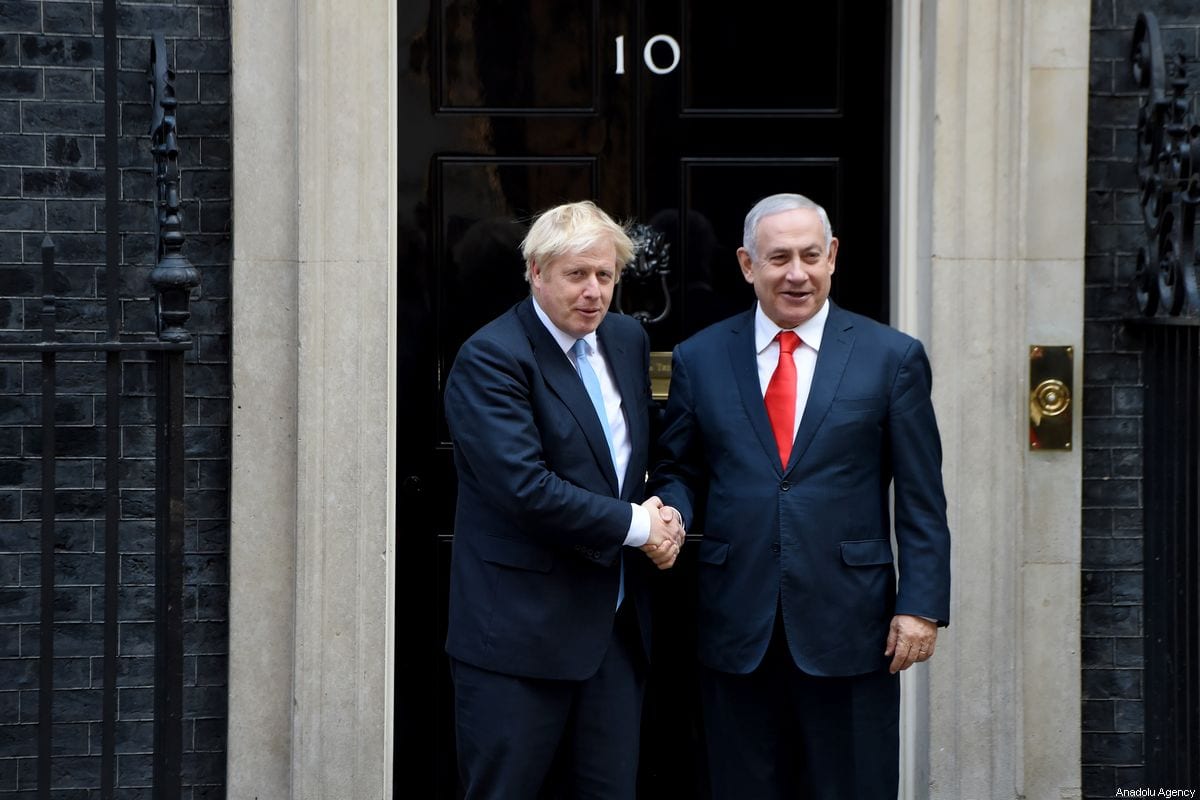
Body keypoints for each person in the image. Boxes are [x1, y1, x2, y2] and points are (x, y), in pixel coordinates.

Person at [650, 193, 951, 799]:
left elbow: (922, 498)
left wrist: (921, 604)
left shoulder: (892, 358)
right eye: (779, 257)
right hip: (735, 623)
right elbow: (679, 467)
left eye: (811, 255)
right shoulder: (700, 357)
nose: (797, 273)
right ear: (746, 265)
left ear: (833, 256)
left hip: (854, 627)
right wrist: (672, 513)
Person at [443, 200, 685, 799]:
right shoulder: (491, 357)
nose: (594, 292)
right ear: (536, 273)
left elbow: (640, 460)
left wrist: (669, 513)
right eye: (577, 275)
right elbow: (524, 489)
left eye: (605, 276)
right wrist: (638, 526)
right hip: (519, 639)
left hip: (614, 633)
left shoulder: (626, 339)